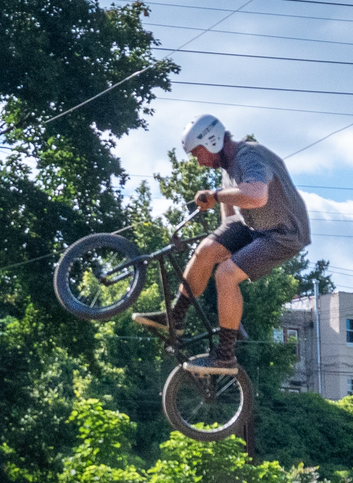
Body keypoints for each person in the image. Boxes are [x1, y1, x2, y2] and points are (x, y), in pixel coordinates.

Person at [132, 114, 312, 377]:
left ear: (212, 141)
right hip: (253, 227)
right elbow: (229, 221)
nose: (198, 161)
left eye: (197, 153)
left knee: (226, 275)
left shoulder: (249, 156)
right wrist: (217, 246)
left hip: (283, 233)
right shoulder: (227, 170)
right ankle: (176, 317)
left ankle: (226, 356)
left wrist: (215, 196)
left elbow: (256, 195)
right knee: (206, 250)